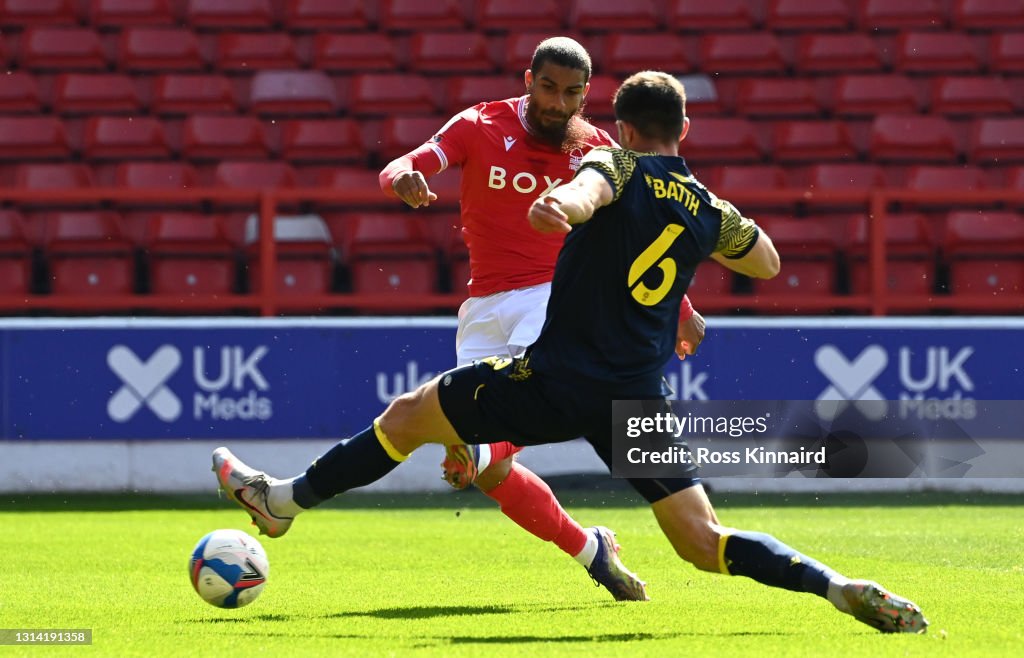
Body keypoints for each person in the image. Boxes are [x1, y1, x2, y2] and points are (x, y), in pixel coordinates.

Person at [212, 71, 927, 633]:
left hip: (553, 381)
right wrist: (712, 235)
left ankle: (283, 502)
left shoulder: (613, 167)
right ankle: (835, 588)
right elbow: (766, 262)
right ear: (686, 128)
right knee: (703, 542)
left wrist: (565, 205)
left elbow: (585, 193)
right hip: (637, 401)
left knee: (407, 417)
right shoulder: (709, 208)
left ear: (619, 127)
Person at [375, 35, 703, 600]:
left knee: (504, 419)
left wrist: (681, 308)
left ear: (586, 94)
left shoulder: (598, 150)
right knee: (490, 474)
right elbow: (409, 162)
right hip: (484, 305)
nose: (558, 102)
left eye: (571, 92)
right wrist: (401, 176)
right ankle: (590, 549)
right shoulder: (480, 123)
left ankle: (477, 444)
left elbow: (642, 241)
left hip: (555, 299)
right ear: (529, 81)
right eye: (548, 87)